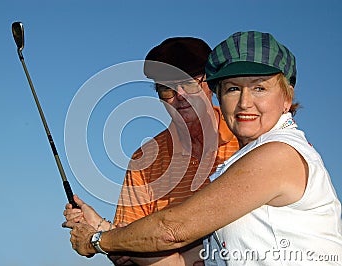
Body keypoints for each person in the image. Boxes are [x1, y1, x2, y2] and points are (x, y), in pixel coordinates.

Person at [63, 31, 342, 265]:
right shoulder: (151, 160)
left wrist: (98, 241)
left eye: (259, 88)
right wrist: (102, 229)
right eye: (233, 88)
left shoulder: (277, 153)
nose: (245, 103)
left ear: (286, 99)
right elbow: (177, 261)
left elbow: (171, 230)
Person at [64, 37, 239, 265]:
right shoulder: (144, 160)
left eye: (189, 83)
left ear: (212, 84)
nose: (180, 96)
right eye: (167, 88)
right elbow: (126, 247)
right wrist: (99, 227)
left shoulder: (248, 135)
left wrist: (97, 238)